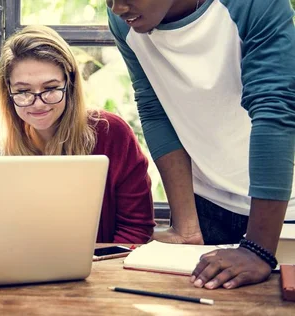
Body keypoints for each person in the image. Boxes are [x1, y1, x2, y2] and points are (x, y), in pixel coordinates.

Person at [106, 0, 295, 289]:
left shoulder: (255, 4)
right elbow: (154, 105)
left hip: (279, 214)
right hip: (206, 206)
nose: (117, 7)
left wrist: (258, 248)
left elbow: (274, 109)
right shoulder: (126, 20)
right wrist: (187, 227)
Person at [0, 25, 155, 244]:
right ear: (7, 91)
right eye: (23, 92)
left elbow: (136, 228)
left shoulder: (111, 132)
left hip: (104, 269)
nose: (38, 103)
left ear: (70, 83)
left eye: (50, 88)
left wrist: (96, 266)